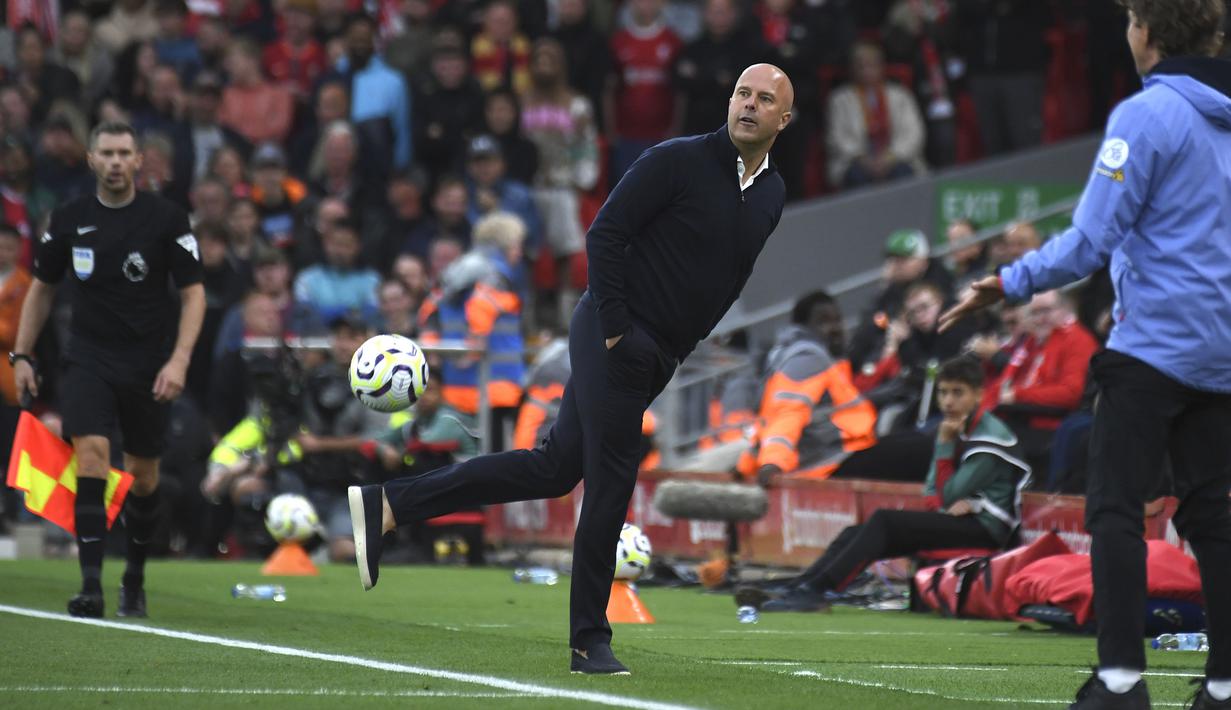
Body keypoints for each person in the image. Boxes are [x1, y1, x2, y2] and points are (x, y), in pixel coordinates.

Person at [348, 63, 792, 675]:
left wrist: (680, 345)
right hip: (615, 332)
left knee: (554, 468)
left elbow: (731, 276)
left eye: (764, 100)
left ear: (782, 119)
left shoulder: (772, 192)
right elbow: (604, 233)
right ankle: (589, 639)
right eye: (742, 92)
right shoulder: (677, 160)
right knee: (611, 481)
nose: (748, 105)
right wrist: (616, 330)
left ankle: (388, 504)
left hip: (660, 352)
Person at [939, 2, 1231, 705]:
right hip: (1221, 353)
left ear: (1146, 32)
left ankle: (1121, 680)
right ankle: (1224, 686)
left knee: (1114, 511)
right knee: (1215, 520)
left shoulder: (1146, 115)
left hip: (1151, 350)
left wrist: (1007, 281)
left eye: (1130, 21)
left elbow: (1089, 241)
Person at [11, 121, 206, 618]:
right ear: (91, 159)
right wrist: (22, 355)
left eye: (124, 153)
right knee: (92, 456)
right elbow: (42, 288)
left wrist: (179, 359)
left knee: (143, 477)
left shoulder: (166, 218)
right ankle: (91, 586)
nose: (116, 162)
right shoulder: (69, 217)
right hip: (88, 356)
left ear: (138, 160)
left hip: (148, 363)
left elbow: (193, 294)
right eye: (107, 153)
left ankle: (134, 578)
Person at [736, 355, 1029, 612]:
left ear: (978, 395)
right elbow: (933, 493)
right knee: (855, 532)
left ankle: (816, 591)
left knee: (885, 521)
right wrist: (951, 496)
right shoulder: (959, 428)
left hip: (987, 530)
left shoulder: (988, 437)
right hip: (960, 519)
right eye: (943, 393)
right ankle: (801, 586)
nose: (948, 402)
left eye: (958, 393)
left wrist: (945, 452)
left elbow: (947, 494)